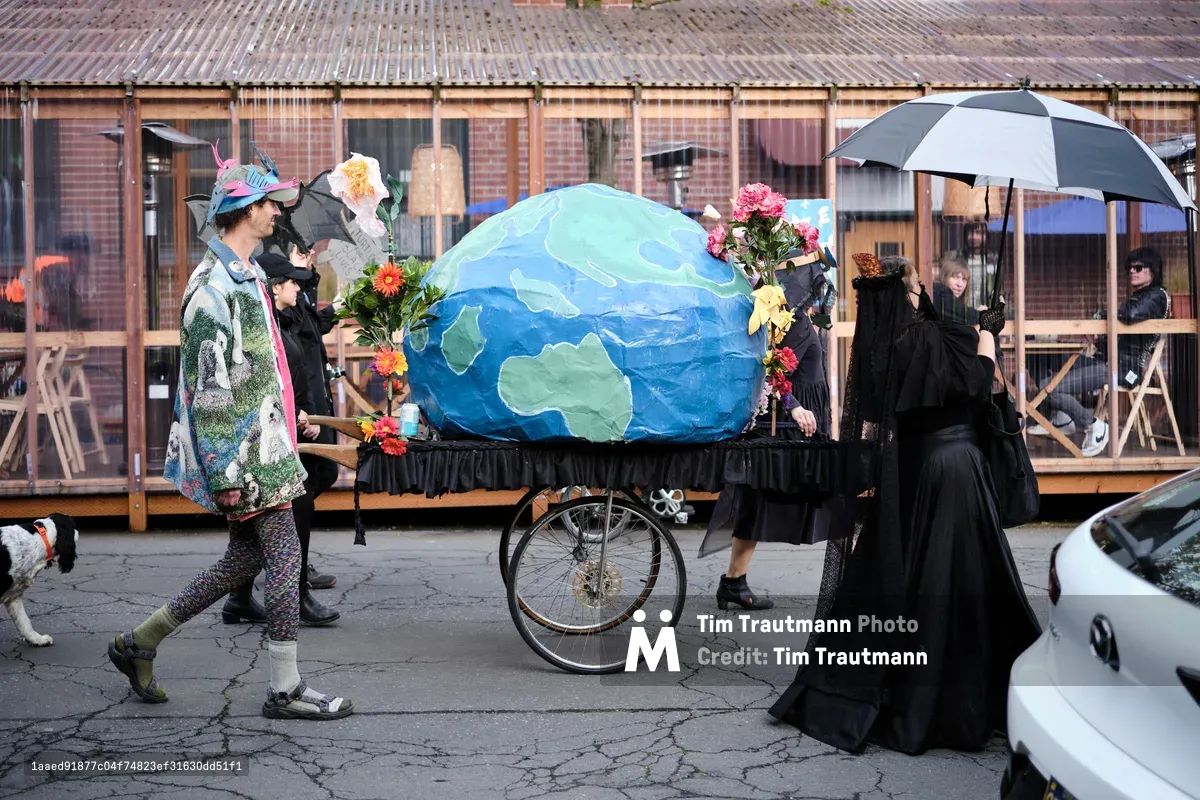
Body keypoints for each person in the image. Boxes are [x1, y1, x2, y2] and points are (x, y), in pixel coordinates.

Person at [105, 150, 352, 720]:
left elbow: (256, 370)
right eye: (269, 202)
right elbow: (210, 391)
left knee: (242, 563)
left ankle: (138, 642)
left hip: (265, 446)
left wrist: (292, 421)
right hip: (245, 459)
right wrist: (224, 472)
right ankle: (285, 688)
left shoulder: (246, 277)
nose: (275, 212)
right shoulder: (212, 287)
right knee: (286, 554)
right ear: (244, 209)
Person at [769, 254, 1040, 754]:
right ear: (911, 293)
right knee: (964, 580)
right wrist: (987, 337)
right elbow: (981, 386)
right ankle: (965, 698)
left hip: (912, 474)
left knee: (916, 578)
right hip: (959, 470)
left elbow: (877, 411)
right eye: (918, 290)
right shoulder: (944, 336)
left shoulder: (877, 356)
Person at [701, 261, 848, 611]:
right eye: (818, 288)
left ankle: (734, 581)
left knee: (767, 500)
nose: (823, 294)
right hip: (793, 426)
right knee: (775, 499)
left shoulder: (798, 320)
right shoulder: (793, 323)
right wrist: (796, 407)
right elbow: (773, 370)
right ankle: (735, 582)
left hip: (801, 422)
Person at [220, 252, 341, 627]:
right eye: (292, 282)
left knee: (257, 524)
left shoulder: (282, 319)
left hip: (288, 426)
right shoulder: (264, 323)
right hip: (270, 436)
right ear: (274, 288)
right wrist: (295, 412)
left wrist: (303, 410)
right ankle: (294, 595)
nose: (298, 287)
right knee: (295, 510)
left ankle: (239, 597)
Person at [1031, 247, 1170, 457]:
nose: (1132, 271)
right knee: (1039, 356)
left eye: (1138, 267)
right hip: (1103, 361)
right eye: (1129, 268)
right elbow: (1122, 328)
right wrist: (1099, 332)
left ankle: (1094, 426)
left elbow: (1130, 315)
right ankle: (1062, 418)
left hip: (1124, 369)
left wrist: (1104, 317)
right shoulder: (1139, 297)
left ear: (1154, 271)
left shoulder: (1157, 296)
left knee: (1050, 388)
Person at [931, 255, 981, 326]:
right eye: (955, 277)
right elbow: (969, 316)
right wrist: (983, 313)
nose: (960, 284)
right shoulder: (939, 293)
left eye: (964, 279)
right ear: (944, 277)